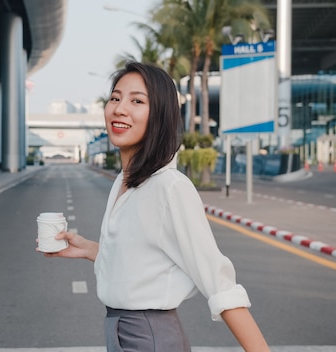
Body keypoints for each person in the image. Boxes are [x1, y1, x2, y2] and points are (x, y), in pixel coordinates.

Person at [39, 62, 269, 352]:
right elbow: (141, 266)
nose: (120, 108)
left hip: (149, 338)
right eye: (115, 98)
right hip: (122, 333)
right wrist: (88, 249)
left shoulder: (170, 187)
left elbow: (219, 284)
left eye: (137, 101)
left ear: (159, 116)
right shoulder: (125, 183)